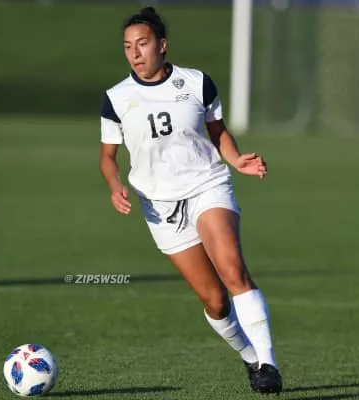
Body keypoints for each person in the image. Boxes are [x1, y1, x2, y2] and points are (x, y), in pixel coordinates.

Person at [99, 6, 282, 394]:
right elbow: (107, 156)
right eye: (128, 46)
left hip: (206, 185)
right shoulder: (116, 98)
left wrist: (236, 159)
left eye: (143, 43)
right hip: (160, 207)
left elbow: (219, 132)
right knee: (215, 301)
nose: (135, 53)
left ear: (162, 45)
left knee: (232, 270)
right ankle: (250, 357)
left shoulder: (197, 83)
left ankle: (268, 362)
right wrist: (114, 185)